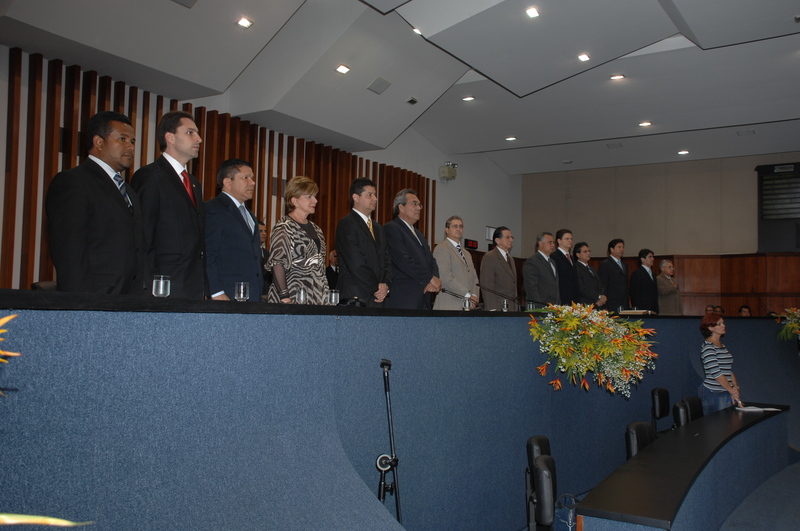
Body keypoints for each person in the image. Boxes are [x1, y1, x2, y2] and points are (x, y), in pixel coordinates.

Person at [45, 111, 146, 294]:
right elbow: (69, 252)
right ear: (99, 142)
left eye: (132, 141)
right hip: (96, 298)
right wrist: (83, 304)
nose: (130, 147)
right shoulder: (73, 182)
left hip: (131, 299)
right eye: (122, 139)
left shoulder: (128, 191)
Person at [130, 110, 205, 299]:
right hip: (163, 287)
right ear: (170, 137)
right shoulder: (150, 176)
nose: (199, 139)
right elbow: (142, 237)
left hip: (193, 286)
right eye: (190, 133)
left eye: (197, 133)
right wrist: (147, 287)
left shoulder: (194, 183)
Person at [204, 159, 263, 301]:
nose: (252, 183)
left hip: (252, 295)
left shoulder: (250, 215)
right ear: (228, 182)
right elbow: (208, 253)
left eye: (252, 178)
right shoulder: (213, 209)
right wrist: (216, 291)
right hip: (226, 294)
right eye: (246, 177)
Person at [267, 176, 328, 304]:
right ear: (294, 201)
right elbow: (277, 263)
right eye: (309, 197)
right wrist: (284, 297)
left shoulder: (317, 229)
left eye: (315, 196)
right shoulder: (284, 228)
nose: (315, 200)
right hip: (292, 295)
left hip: (317, 296)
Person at [335, 178, 391, 307]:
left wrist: (386, 285)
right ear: (356, 197)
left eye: (375, 194)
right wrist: (376, 288)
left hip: (378, 297)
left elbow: (386, 260)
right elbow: (356, 263)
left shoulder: (378, 228)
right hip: (355, 296)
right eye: (369, 195)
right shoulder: (347, 224)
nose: (375, 199)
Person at [384, 189, 441, 309]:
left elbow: (431, 260)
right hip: (404, 298)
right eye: (414, 204)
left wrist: (435, 278)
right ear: (401, 207)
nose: (419, 208)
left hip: (424, 296)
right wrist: (429, 278)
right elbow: (402, 260)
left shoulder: (419, 234)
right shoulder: (391, 228)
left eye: (419, 205)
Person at [432, 216, 479, 310]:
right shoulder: (442, 248)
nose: (458, 229)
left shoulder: (467, 253)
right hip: (449, 305)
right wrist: (467, 294)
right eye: (455, 226)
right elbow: (445, 277)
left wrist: (474, 296)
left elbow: (474, 278)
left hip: (468, 305)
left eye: (461, 226)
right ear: (447, 230)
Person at [699, 313, 742, 414]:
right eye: (719, 324)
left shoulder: (722, 346)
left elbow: (729, 370)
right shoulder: (708, 348)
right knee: (718, 422)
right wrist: (731, 391)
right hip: (714, 392)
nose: (723, 326)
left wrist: (735, 387)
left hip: (725, 390)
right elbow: (717, 374)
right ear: (710, 328)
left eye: (723, 323)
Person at [479, 227, 517, 311]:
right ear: (498, 240)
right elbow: (486, 285)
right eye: (507, 237)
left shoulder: (511, 259)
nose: (511, 240)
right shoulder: (490, 257)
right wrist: (492, 308)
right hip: (498, 307)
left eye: (512, 237)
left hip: (512, 308)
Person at [523, 232, 560, 308]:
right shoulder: (532, 261)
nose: (553, 245)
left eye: (553, 242)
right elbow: (531, 288)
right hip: (540, 307)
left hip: (554, 307)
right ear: (540, 244)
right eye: (550, 242)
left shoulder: (552, 262)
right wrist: (539, 307)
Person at [598, 238, 629, 312]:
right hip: (612, 303)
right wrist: (604, 305)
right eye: (619, 247)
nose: (621, 249)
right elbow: (602, 285)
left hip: (624, 303)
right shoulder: (605, 264)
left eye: (622, 247)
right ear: (612, 249)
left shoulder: (624, 265)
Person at [573, 242, 607, 308]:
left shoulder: (592, 268)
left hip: (598, 303)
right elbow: (581, 288)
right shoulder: (576, 268)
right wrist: (598, 296)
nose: (588, 253)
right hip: (586, 304)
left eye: (589, 251)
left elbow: (599, 284)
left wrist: (602, 296)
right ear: (578, 254)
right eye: (585, 251)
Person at [551, 229, 578, 304]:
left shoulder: (571, 258)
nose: (570, 241)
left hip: (573, 297)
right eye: (567, 239)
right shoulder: (554, 256)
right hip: (562, 296)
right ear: (559, 241)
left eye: (571, 239)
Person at [629, 248, 659, 313]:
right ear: (643, 259)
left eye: (653, 257)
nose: (652, 259)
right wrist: (638, 309)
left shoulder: (653, 274)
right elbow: (635, 294)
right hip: (642, 309)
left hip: (653, 309)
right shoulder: (637, 273)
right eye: (650, 257)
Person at [258, 220, 272, 297]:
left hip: (267, 294)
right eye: (260, 231)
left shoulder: (267, 253)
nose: (264, 233)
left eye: (265, 231)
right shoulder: (249, 253)